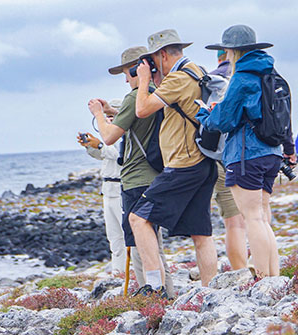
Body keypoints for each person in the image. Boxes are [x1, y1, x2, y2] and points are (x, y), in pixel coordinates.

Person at [197, 24, 296, 277]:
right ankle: (273, 278)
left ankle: (264, 278)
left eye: (226, 51)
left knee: (252, 219)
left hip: (246, 155)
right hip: (272, 153)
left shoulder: (242, 77)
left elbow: (224, 121)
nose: (226, 55)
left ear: (232, 51)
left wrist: (206, 115)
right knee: (262, 218)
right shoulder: (272, 74)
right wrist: (288, 148)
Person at [130, 29, 218, 293]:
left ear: (162, 54)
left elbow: (142, 109)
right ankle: (209, 291)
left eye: (153, 60)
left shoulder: (178, 78)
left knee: (138, 218)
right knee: (201, 233)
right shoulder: (197, 70)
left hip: (183, 164)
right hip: (204, 161)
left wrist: (144, 79)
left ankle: (153, 287)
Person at [87, 46, 174, 298]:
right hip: (157, 175)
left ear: (137, 69)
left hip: (136, 178)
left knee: (138, 244)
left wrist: (97, 115)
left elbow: (109, 136)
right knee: (154, 243)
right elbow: (137, 116)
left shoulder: (134, 97)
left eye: (127, 72)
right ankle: (165, 294)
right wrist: (111, 112)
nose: (125, 79)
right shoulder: (157, 95)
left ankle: (150, 295)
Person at [209, 52, 248, 270]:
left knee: (233, 221)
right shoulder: (244, 77)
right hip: (242, 155)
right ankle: (247, 269)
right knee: (246, 218)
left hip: (218, 157)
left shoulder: (211, 80)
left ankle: (240, 272)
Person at [77, 128, 125, 275]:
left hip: (121, 188)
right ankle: (118, 271)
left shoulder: (127, 135)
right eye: (107, 117)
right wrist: (90, 146)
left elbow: (119, 157)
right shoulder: (111, 136)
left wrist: (99, 146)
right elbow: (104, 156)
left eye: (112, 116)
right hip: (108, 189)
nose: (109, 121)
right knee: (113, 234)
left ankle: (132, 272)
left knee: (126, 233)